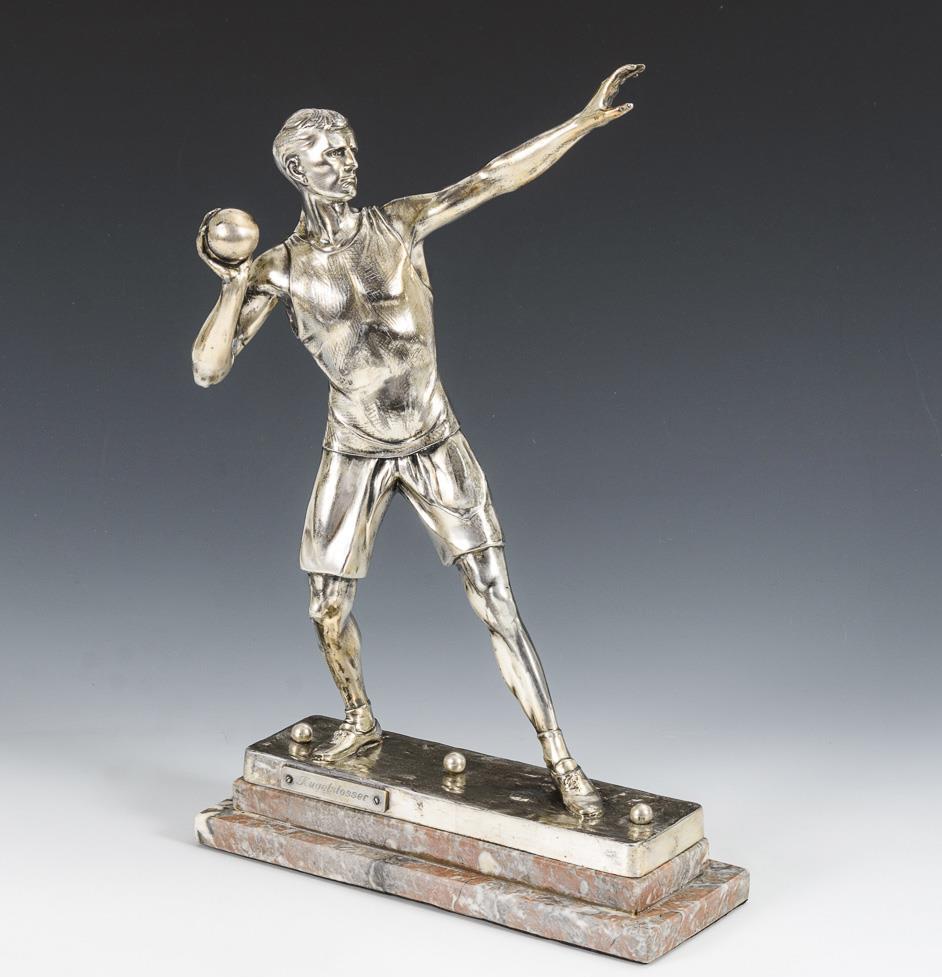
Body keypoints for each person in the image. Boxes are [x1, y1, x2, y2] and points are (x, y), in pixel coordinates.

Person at [192, 64, 644, 819]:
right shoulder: (282, 269)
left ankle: (561, 758)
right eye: (332, 154)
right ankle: (359, 718)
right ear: (297, 170)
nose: (350, 162)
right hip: (353, 448)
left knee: (495, 597)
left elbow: (492, 179)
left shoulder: (397, 224)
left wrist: (580, 122)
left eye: (351, 148)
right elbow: (209, 369)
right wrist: (234, 280)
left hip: (434, 439)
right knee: (326, 608)